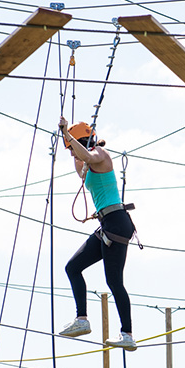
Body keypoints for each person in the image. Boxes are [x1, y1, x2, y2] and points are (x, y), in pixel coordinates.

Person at [58, 117, 137, 351]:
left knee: (114, 281)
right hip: (107, 223)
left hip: (117, 223)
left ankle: (127, 334)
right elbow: (82, 170)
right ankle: (81, 320)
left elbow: (88, 157)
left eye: (72, 149)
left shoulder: (100, 153)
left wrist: (69, 136)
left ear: (83, 142)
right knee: (72, 267)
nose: (72, 154)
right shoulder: (87, 162)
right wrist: (70, 138)